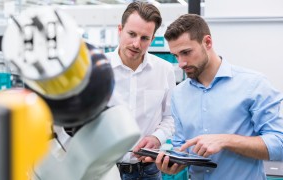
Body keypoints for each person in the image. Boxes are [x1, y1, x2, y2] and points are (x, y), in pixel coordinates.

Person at [144, 14, 283, 180]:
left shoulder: (253, 84)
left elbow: (279, 144)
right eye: (176, 55)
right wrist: (173, 164)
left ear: (207, 42)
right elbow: (181, 147)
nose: (181, 63)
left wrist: (226, 140)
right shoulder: (179, 94)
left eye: (186, 52)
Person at [105, 1, 176, 180]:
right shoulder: (98, 69)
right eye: (131, 34)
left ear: (152, 39)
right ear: (120, 30)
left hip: (146, 172)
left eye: (144, 38)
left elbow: (171, 116)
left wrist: (157, 138)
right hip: (103, 170)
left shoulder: (164, 70)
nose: (136, 44)